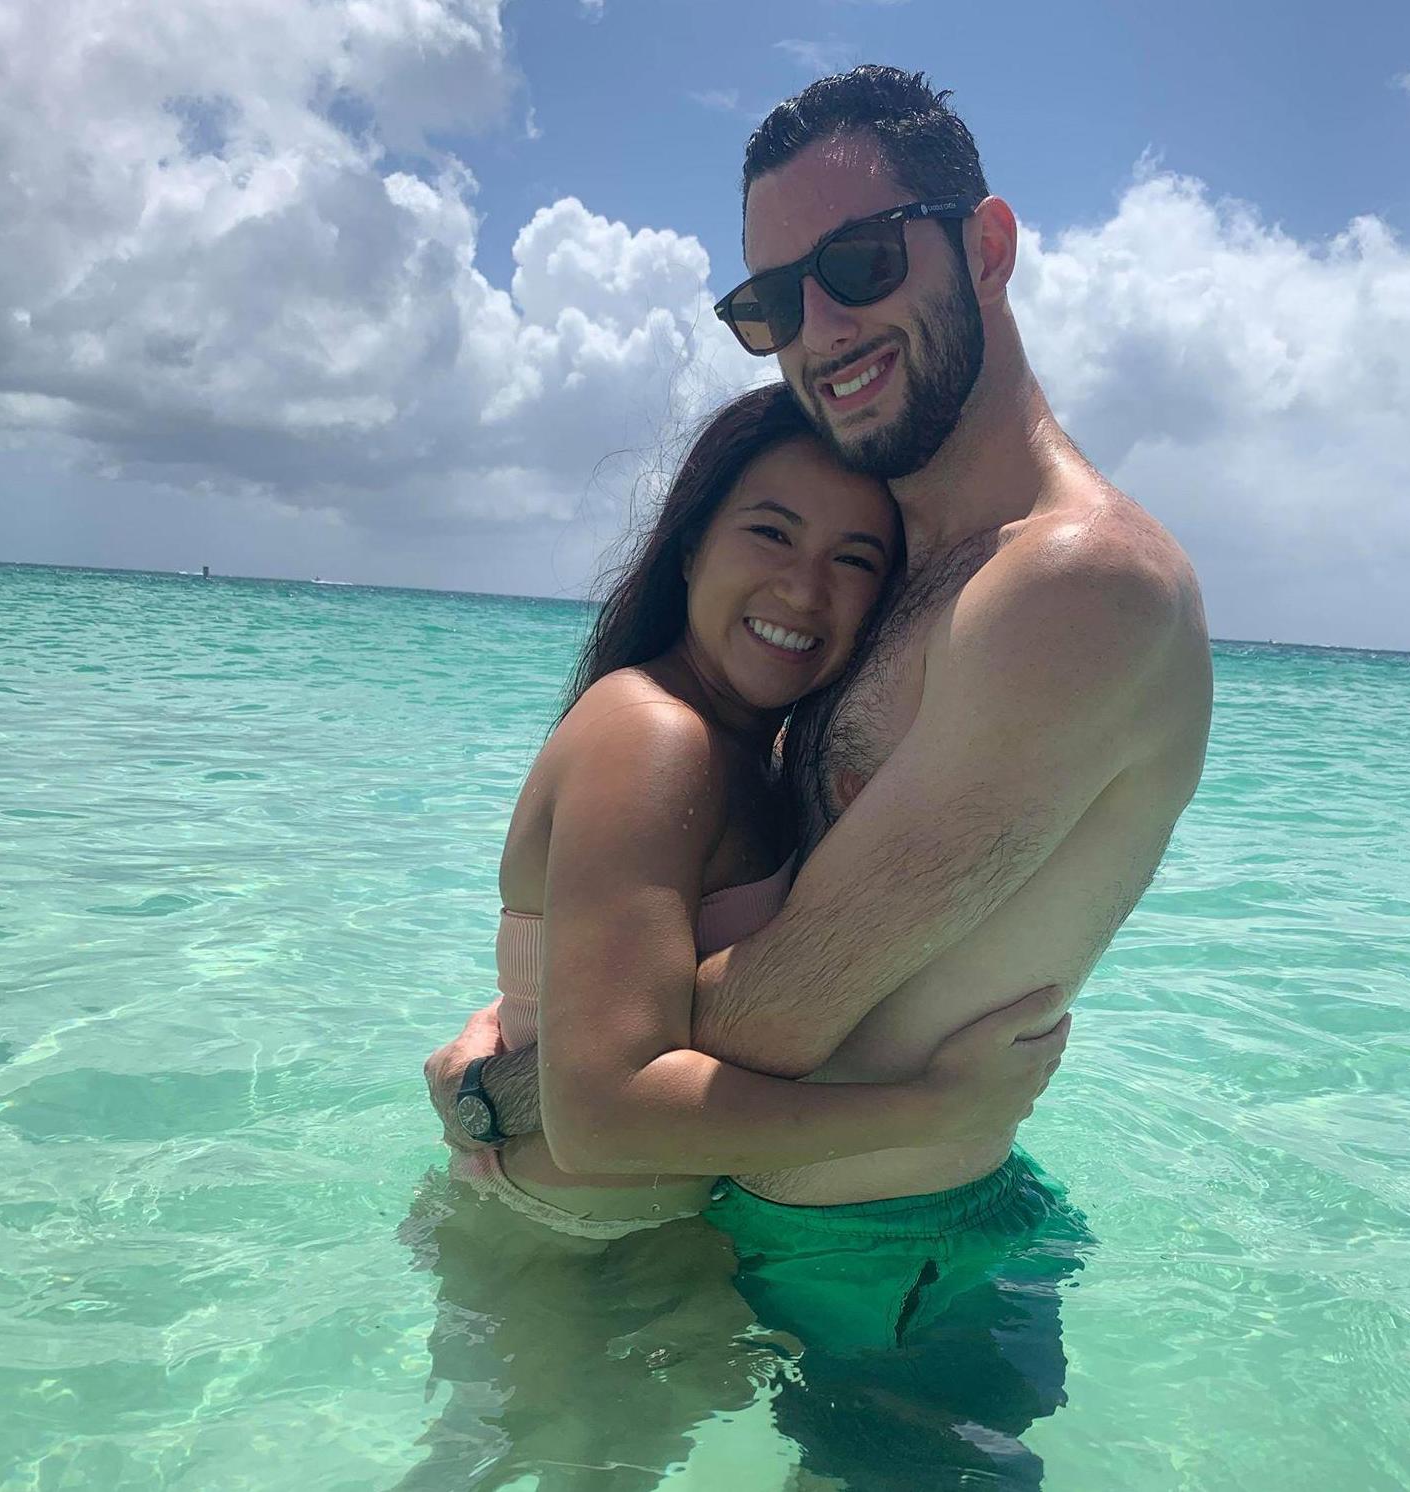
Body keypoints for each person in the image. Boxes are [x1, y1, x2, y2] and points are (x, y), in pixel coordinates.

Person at [427, 65, 1211, 1482]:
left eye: (856, 264)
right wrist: (539, 1024)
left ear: (986, 246)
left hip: (894, 1273)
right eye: (772, 304)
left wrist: (530, 1084)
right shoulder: (902, 577)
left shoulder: (1073, 588)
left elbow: (786, 1001)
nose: (819, 332)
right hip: (776, 1238)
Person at [428, 379, 1067, 1241]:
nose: (804, 590)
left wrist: (485, 1091)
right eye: (772, 533)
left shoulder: (754, 751)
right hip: (558, 1254)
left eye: (854, 560)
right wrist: (937, 1108)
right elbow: (605, 1117)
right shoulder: (654, 737)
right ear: (691, 545)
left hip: (628, 1234)